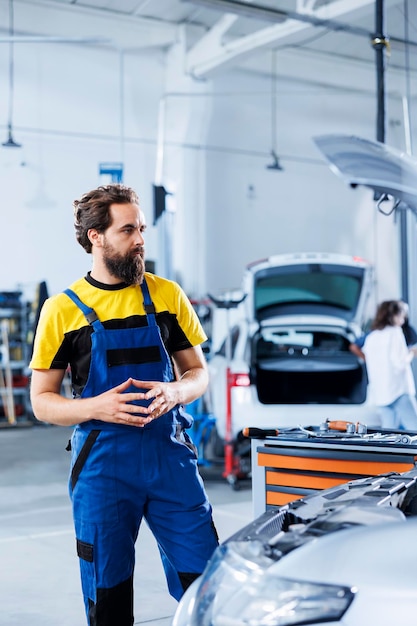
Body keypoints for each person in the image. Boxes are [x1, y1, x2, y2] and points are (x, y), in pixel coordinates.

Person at [29, 183, 219, 626]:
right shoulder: (62, 310)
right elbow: (42, 402)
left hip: (170, 457)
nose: (140, 239)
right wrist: (96, 407)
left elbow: (199, 374)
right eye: (128, 229)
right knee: (108, 592)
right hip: (103, 466)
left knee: (209, 583)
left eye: (142, 229)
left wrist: (175, 392)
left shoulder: (168, 295)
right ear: (96, 236)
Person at [361, 299, 417, 430]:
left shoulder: (372, 337)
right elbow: (399, 363)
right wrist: (411, 353)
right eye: (402, 316)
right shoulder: (395, 332)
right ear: (393, 316)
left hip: (381, 393)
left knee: (389, 433)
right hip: (399, 390)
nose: (403, 320)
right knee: (415, 428)